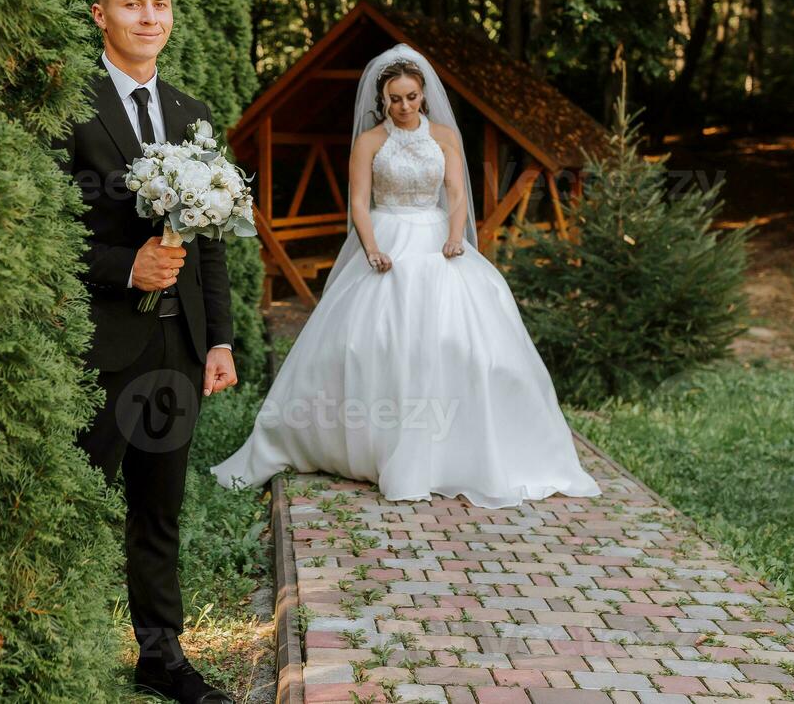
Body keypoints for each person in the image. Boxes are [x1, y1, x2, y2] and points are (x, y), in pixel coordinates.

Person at [210, 44, 600, 508]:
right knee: (370, 344)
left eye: (412, 96)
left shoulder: (444, 138)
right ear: (383, 99)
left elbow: (456, 193)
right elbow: (358, 202)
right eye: (395, 98)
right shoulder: (370, 142)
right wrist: (372, 248)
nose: (404, 105)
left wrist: (456, 237)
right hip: (388, 237)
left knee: (463, 344)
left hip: (438, 241)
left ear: (423, 96)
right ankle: (368, 443)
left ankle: (460, 449)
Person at [53, 0, 238, 704]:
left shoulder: (193, 112)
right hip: (102, 346)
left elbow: (214, 241)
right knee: (72, 502)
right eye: (133, 6)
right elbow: (48, 233)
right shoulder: (72, 107)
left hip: (177, 346)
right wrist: (125, 268)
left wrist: (218, 339)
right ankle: (47, 647)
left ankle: (162, 658)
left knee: (159, 511)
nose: (149, 18)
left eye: (159, 5)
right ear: (101, 15)